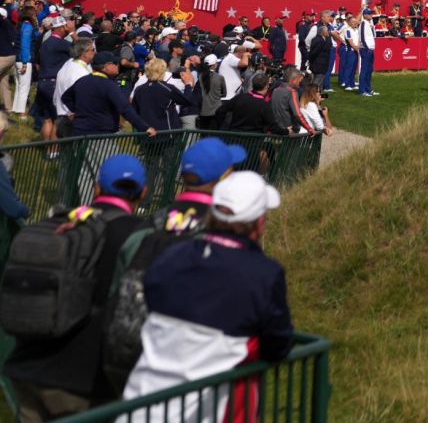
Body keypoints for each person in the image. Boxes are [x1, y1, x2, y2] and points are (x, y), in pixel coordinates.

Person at [119, 171, 294, 420]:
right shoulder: (263, 274)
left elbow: (152, 298)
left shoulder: (172, 255)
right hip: (201, 411)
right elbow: (278, 343)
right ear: (259, 222)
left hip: (139, 405)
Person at [2, 155, 151, 420]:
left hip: (27, 366)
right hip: (86, 383)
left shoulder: (59, 222)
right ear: (143, 193)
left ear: (96, 188)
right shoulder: (142, 237)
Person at [151, 137, 247, 234]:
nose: (233, 174)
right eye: (230, 168)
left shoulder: (153, 222)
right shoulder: (228, 228)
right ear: (222, 176)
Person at [61, 51, 157, 138]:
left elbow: (65, 97)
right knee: (112, 158)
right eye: (115, 63)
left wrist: (77, 111)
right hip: (99, 135)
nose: (117, 66)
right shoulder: (109, 85)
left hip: (79, 131)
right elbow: (125, 108)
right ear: (106, 66)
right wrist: (144, 127)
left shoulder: (82, 80)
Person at [353, 8, 379, 97]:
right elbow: (363, 37)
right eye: (369, 14)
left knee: (369, 70)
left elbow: (373, 35)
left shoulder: (369, 24)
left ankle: (368, 89)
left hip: (370, 49)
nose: (371, 15)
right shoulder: (364, 23)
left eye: (371, 13)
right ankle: (362, 90)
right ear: (364, 15)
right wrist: (367, 48)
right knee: (364, 70)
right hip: (366, 49)